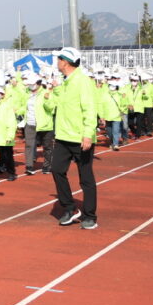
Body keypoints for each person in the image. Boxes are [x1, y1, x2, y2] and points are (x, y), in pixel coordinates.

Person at [50, 47, 99, 229]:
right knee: (56, 170)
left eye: (59, 59)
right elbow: (58, 105)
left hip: (79, 138)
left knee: (85, 178)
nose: (57, 62)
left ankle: (90, 215)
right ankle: (70, 208)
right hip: (63, 137)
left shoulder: (82, 82)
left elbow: (89, 109)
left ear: (66, 62)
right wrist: (54, 91)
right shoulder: (65, 82)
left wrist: (87, 134)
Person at [20, 73, 56, 175]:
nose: (31, 85)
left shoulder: (46, 93)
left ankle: (47, 166)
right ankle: (29, 166)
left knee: (47, 146)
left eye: (33, 83)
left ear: (38, 83)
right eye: (30, 84)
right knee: (29, 145)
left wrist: (47, 99)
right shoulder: (26, 93)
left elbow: (51, 109)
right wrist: (17, 111)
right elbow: (24, 107)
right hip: (30, 123)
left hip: (44, 125)